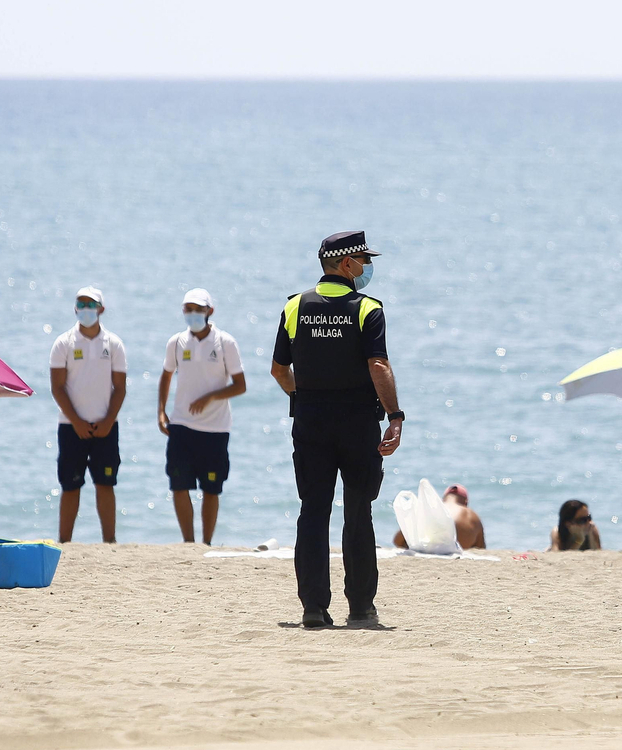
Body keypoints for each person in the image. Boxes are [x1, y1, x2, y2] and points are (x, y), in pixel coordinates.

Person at [271, 231, 404, 628]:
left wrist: (306, 396)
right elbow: (377, 366)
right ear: (347, 265)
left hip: (310, 421)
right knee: (358, 511)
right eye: (363, 260)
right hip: (357, 421)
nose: (367, 267)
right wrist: (395, 416)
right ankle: (360, 607)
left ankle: (313, 608)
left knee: (313, 511)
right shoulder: (367, 309)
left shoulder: (295, 306)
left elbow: (279, 370)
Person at [158, 288, 246, 545]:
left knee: (211, 488)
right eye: (188, 309)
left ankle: (206, 542)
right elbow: (166, 375)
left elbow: (240, 385)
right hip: (181, 424)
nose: (193, 314)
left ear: (210, 311)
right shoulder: (176, 342)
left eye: (198, 309)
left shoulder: (225, 342)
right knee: (178, 485)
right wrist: (161, 412)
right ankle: (188, 542)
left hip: (215, 428)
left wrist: (209, 397)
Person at [49, 286, 127, 543]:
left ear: (101, 309)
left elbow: (120, 387)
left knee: (106, 484)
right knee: (70, 486)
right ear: (75, 308)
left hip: (105, 425)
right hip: (71, 426)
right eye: (81, 304)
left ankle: (110, 541)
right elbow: (57, 387)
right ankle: (65, 542)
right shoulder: (63, 343)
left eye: (90, 305)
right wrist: (77, 421)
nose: (85, 309)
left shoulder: (113, 344)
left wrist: (107, 421)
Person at [393, 484, 485, 550]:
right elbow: (481, 549)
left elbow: (397, 541)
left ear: (443, 498)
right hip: (456, 548)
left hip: (426, 547)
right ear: (466, 502)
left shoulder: (431, 509)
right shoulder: (472, 515)